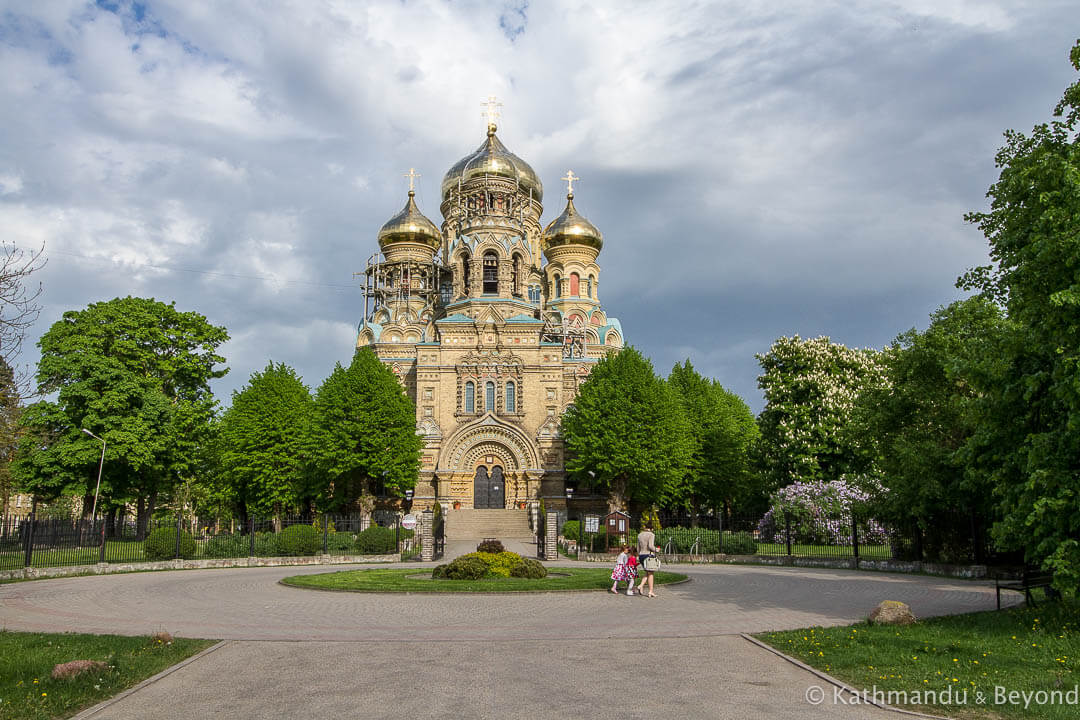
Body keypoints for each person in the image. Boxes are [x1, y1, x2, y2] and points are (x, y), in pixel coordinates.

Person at [636, 523, 658, 597]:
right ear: (651, 529)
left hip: (641, 555)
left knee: (647, 572)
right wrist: (657, 550)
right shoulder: (651, 535)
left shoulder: (639, 535)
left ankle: (641, 586)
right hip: (648, 555)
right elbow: (651, 546)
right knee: (651, 573)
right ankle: (650, 591)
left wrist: (639, 555)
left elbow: (638, 548)